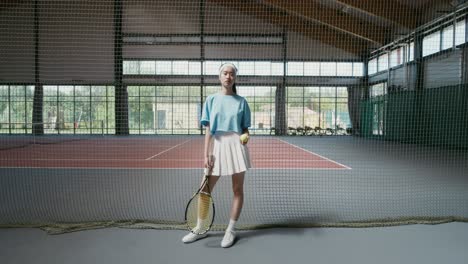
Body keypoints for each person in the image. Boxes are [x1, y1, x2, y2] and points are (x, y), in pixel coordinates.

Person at [182, 63, 252, 248]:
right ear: (219, 76)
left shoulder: (242, 102)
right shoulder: (211, 100)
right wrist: (206, 154)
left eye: (231, 74)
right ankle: (199, 228)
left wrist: (246, 136)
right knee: (204, 189)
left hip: (237, 147)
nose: (228, 76)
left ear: (235, 78)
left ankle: (231, 230)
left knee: (237, 190)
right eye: (225, 73)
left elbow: (245, 128)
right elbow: (208, 130)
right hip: (217, 147)